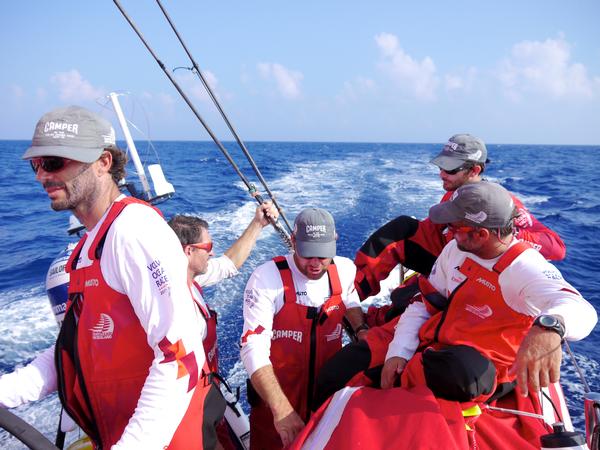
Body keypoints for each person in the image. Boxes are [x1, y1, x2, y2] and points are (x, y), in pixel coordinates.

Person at [0, 106, 215, 449]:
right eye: (36, 164)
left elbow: (181, 357)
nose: (42, 176)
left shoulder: (134, 232)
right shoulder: (89, 247)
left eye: (54, 162)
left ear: (103, 162)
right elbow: (72, 351)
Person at [379, 181, 597, 447]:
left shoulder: (524, 268)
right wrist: (398, 352)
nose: (447, 232)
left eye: (455, 228)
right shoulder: (454, 250)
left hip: (484, 368)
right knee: (341, 370)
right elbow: (425, 302)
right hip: (438, 348)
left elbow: (580, 308)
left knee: (461, 373)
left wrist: (549, 328)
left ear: (481, 234)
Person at [354, 133, 566, 301]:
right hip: (447, 258)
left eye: (449, 169)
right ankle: (350, 296)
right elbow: (431, 231)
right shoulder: (452, 194)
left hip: (475, 274)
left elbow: (556, 247)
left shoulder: (501, 206)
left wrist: (505, 232)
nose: (441, 174)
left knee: (404, 301)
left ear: (474, 170)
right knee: (401, 228)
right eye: (441, 167)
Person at [240, 208, 366, 449]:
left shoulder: (345, 270)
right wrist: (281, 410)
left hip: (325, 401)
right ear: (293, 242)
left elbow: (350, 301)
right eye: (308, 255)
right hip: (277, 403)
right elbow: (252, 347)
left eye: (323, 255)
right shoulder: (266, 279)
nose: (316, 264)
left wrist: (361, 329)